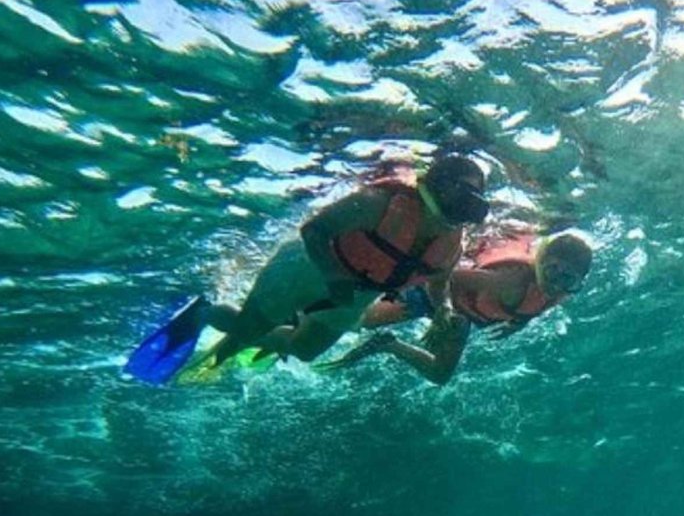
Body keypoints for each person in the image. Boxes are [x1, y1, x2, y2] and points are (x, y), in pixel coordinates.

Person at [123, 153, 490, 385]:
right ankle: (206, 314)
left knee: (306, 350)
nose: (468, 207)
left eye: (476, 199)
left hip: (354, 296)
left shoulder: (452, 243)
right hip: (308, 268)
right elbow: (314, 230)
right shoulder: (380, 202)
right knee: (249, 327)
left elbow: (439, 283)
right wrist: (333, 275)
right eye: (464, 193)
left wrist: (442, 310)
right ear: (440, 186)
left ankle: (258, 338)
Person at [319, 229, 593, 385]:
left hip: (462, 316)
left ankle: (387, 344)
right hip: (430, 294)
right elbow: (440, 276)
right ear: (541, 259)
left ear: (577, 283)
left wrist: (516, 324)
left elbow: (536, 307)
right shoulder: (506, 280)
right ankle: (311, 307)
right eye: (553, 270)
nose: (556, 282)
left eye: (567, 279)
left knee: (439, 375)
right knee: (359, 321)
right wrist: (442, 310)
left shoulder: (559, 293)